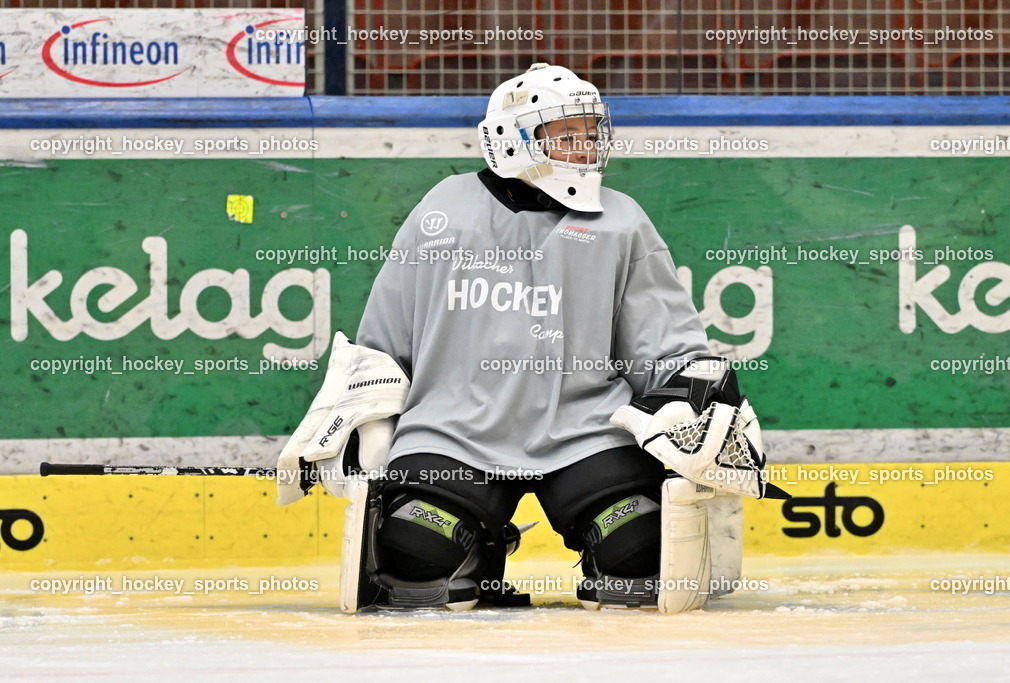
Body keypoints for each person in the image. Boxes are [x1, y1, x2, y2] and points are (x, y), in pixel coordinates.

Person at [279, 63, 774, 613]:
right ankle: (478, 547)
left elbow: (665, 346)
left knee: (637, 549)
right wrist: (364, 420)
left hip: (586, 431)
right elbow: (384, 342)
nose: (585, 145)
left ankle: (589, 547)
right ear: (511, 139)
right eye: (565, 133)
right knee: (415, 553)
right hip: (453, 431)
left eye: (590, 131)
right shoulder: (443, 211)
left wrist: (692, 395)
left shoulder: (621, 222)